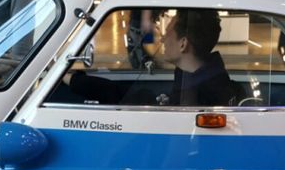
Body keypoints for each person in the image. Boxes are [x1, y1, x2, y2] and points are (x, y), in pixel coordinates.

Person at [67, 9, 241, 107]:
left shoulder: (199, 97)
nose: (163, 39)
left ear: (183, 44)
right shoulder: (196, 75)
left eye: (168, 33)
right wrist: (75, 80)